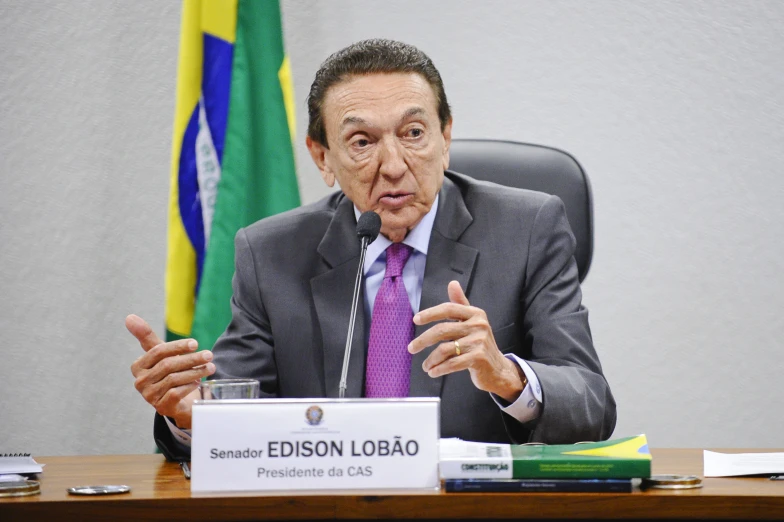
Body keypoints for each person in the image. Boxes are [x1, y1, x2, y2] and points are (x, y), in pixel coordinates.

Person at [127, 39, 616, 459]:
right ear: (323, 157)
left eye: (414, 133)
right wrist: (192, 416)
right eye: (362, 141)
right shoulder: (271, 251)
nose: (394, 165)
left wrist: (506, 374)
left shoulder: (527, 228)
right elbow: (234, 408)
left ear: (445, 137)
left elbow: (591, 405)